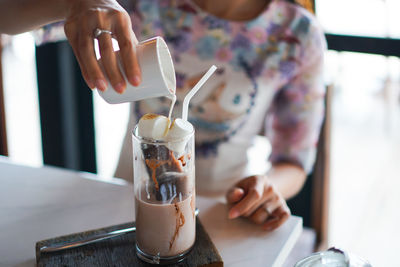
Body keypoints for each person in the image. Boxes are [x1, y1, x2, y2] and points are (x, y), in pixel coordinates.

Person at [0, 0, 326, 232]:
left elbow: (294, 162)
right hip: (124, 202)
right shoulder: (145, 5)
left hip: (223, 215)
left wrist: (265, 188)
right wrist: (72, 4)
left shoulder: (296, 34)